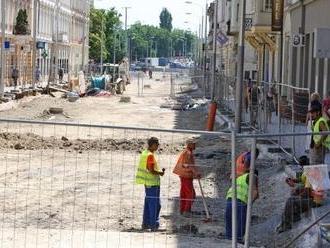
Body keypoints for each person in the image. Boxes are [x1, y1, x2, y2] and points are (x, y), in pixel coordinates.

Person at [276, 156, 323, 233]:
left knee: (291, 200)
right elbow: (303, 182)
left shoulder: (310, 173)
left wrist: (297, 194)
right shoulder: (309, 171)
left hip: (315, 202)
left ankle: (287, 224)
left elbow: (307, 191)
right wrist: (294, 182)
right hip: (313, 197)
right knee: (293, 195)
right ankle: (292, 217)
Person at [135, 137, 165, 231]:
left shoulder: (144, 153)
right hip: (152, 183)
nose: (158, 146)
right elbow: (151, 170)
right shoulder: (150, 155)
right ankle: (153, 225)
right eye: (157, 144)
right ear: (152, 145)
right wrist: (160, 173)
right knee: (155, 205)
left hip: (147, 182)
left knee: (149, 204)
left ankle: (146, 224)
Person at [225, 169, 259, 243]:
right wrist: (249, 205)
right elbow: (255, 193)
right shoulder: (253, 176)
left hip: (229, 201)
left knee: (229, 232)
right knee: (239, 232)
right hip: (240, 203)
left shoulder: (239, 178)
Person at [173, 138, 201, 217]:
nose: (195, 145)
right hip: (186, 176)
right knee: (190, 194)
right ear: (189, 145)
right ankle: (186, 211)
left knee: (184, 193)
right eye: (194, 144)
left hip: (185, 176)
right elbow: (187, 165)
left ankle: (183, 210)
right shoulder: (187, 153)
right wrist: (196, 173)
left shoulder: (187, 152)